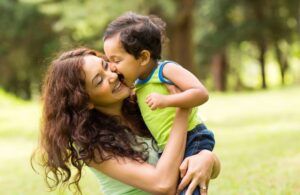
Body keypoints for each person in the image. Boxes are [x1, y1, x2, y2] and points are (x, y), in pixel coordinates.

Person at [32, 48, 220, 195]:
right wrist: (183, 107)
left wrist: (206, 158)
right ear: (85, 101)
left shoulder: (145, 105)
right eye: (99, 81)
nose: (112, 76)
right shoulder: (92, 145)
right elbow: (163, 184)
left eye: (106, 66)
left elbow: (196, 150)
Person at [103, 12, 216, 194]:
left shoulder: (166, 70)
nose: (113, 67)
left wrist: (168, 100)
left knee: (187, 187)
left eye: (116, 60)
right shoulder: (138, 84)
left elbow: (201, 93)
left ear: (143, 57)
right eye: (109, 61)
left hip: (191, 136)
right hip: (169, 145)